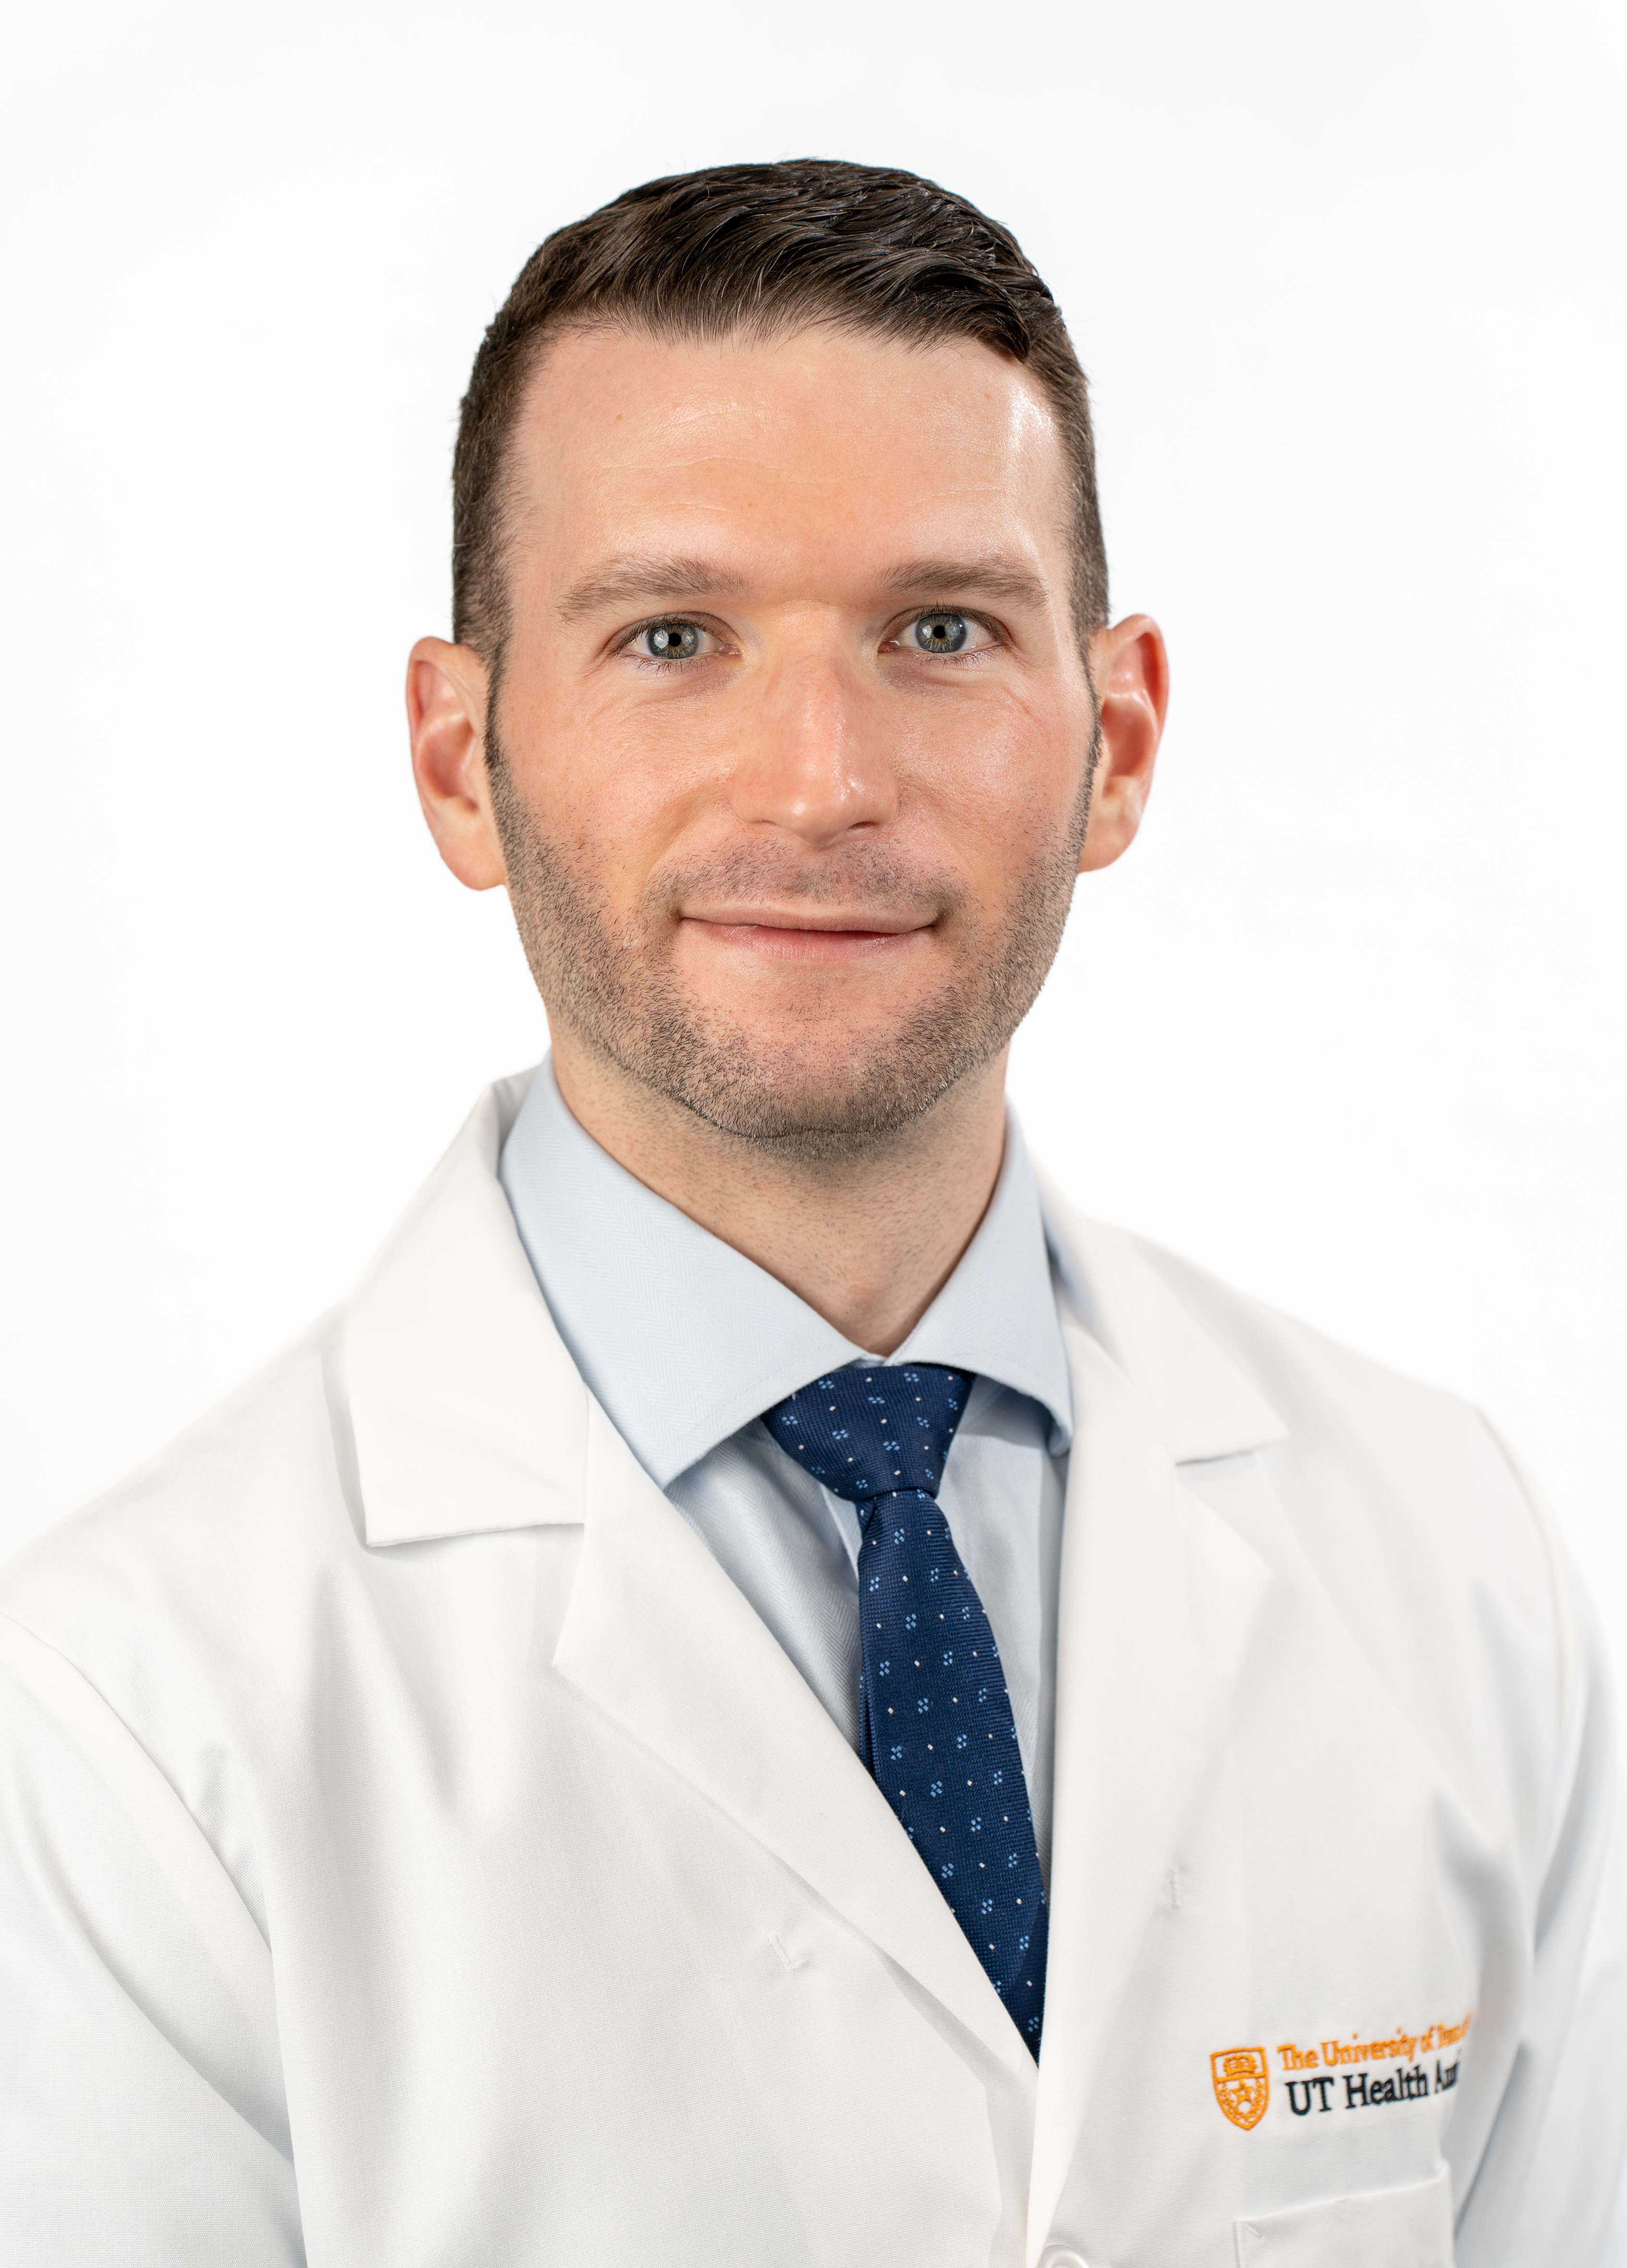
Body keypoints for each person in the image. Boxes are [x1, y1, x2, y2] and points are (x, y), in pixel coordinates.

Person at [0, 159, 1620, 2268]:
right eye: (671, 636)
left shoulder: (1445, 1552)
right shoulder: (134, 1708)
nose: (819, 779)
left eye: (938, 629)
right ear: (460, 761)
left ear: (1114, 738)